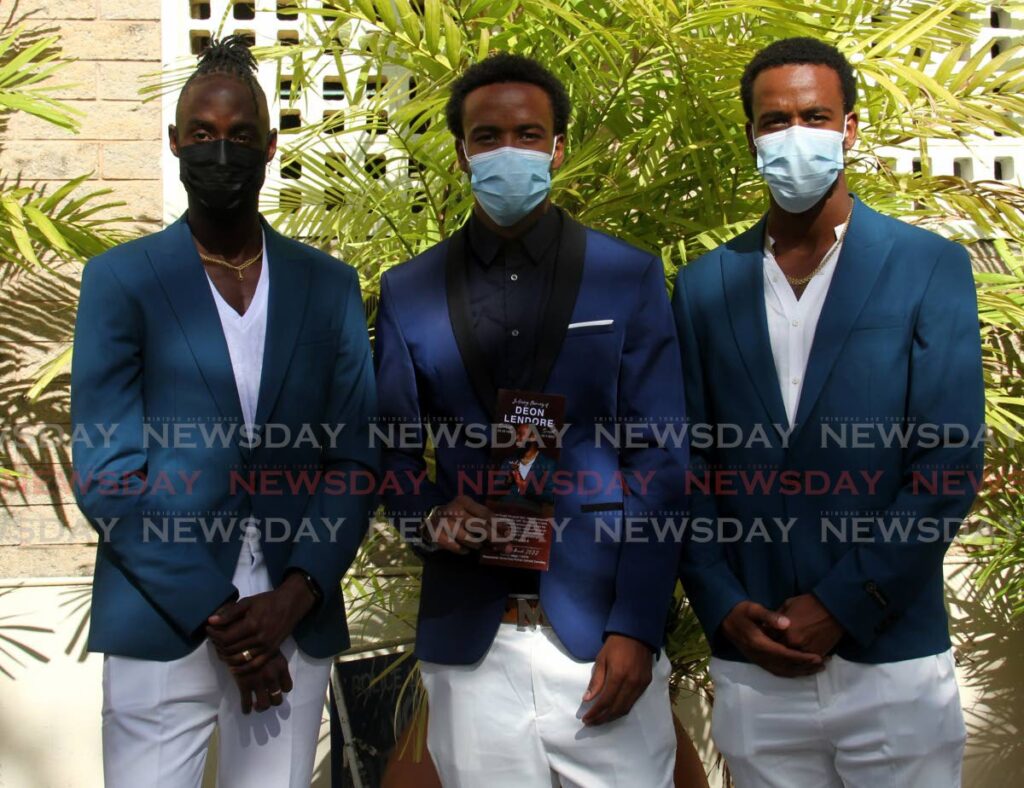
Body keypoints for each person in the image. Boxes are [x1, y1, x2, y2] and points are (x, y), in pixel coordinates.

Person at [673, 37, 984, 787]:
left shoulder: (927, 266)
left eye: (814, 117)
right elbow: (685, 461)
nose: (794, 135)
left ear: (849, 128)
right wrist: (720, 599)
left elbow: (947, 463)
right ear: (752, 135)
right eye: (774, 120)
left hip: (891, 658)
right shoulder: (703, 286)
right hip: (755, 658)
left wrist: (846, 602)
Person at [70, 36, 377, 788]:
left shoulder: (327, 285)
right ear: (174, 141)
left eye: (240, 136)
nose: (220, 151)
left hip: (291, 621)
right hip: (161, 619)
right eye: (202, 134)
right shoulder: (122, 281)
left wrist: (292, 599)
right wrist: (223, 616)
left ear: (270, 147)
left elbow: (354, 458)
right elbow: (109, 474)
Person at [375, 53, 687, 787]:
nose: (507, 150)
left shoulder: (628, 276)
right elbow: (389, 453)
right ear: (461, 153)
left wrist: (637, 626)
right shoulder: (408, 291)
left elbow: (661, 462)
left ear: (558, 148)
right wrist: (429, 516)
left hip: (599, 639)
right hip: (473, 643)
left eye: (528, 134)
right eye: (487, 137)